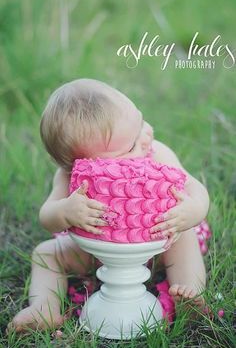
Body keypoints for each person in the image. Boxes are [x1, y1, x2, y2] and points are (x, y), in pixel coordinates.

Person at [8, 79, 210, 332]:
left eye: (141, 122)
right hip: (95, 252)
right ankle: (43, 309)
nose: (146, 137)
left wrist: (193, 210)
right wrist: (65, 210)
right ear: (83, 164)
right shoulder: (67, 176)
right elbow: (46, 216)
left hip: (158, 242)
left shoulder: (157, 153)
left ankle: (189, 293)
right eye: (131, 145)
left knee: (184, 236)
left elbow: (195, 189)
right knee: (45, 253)